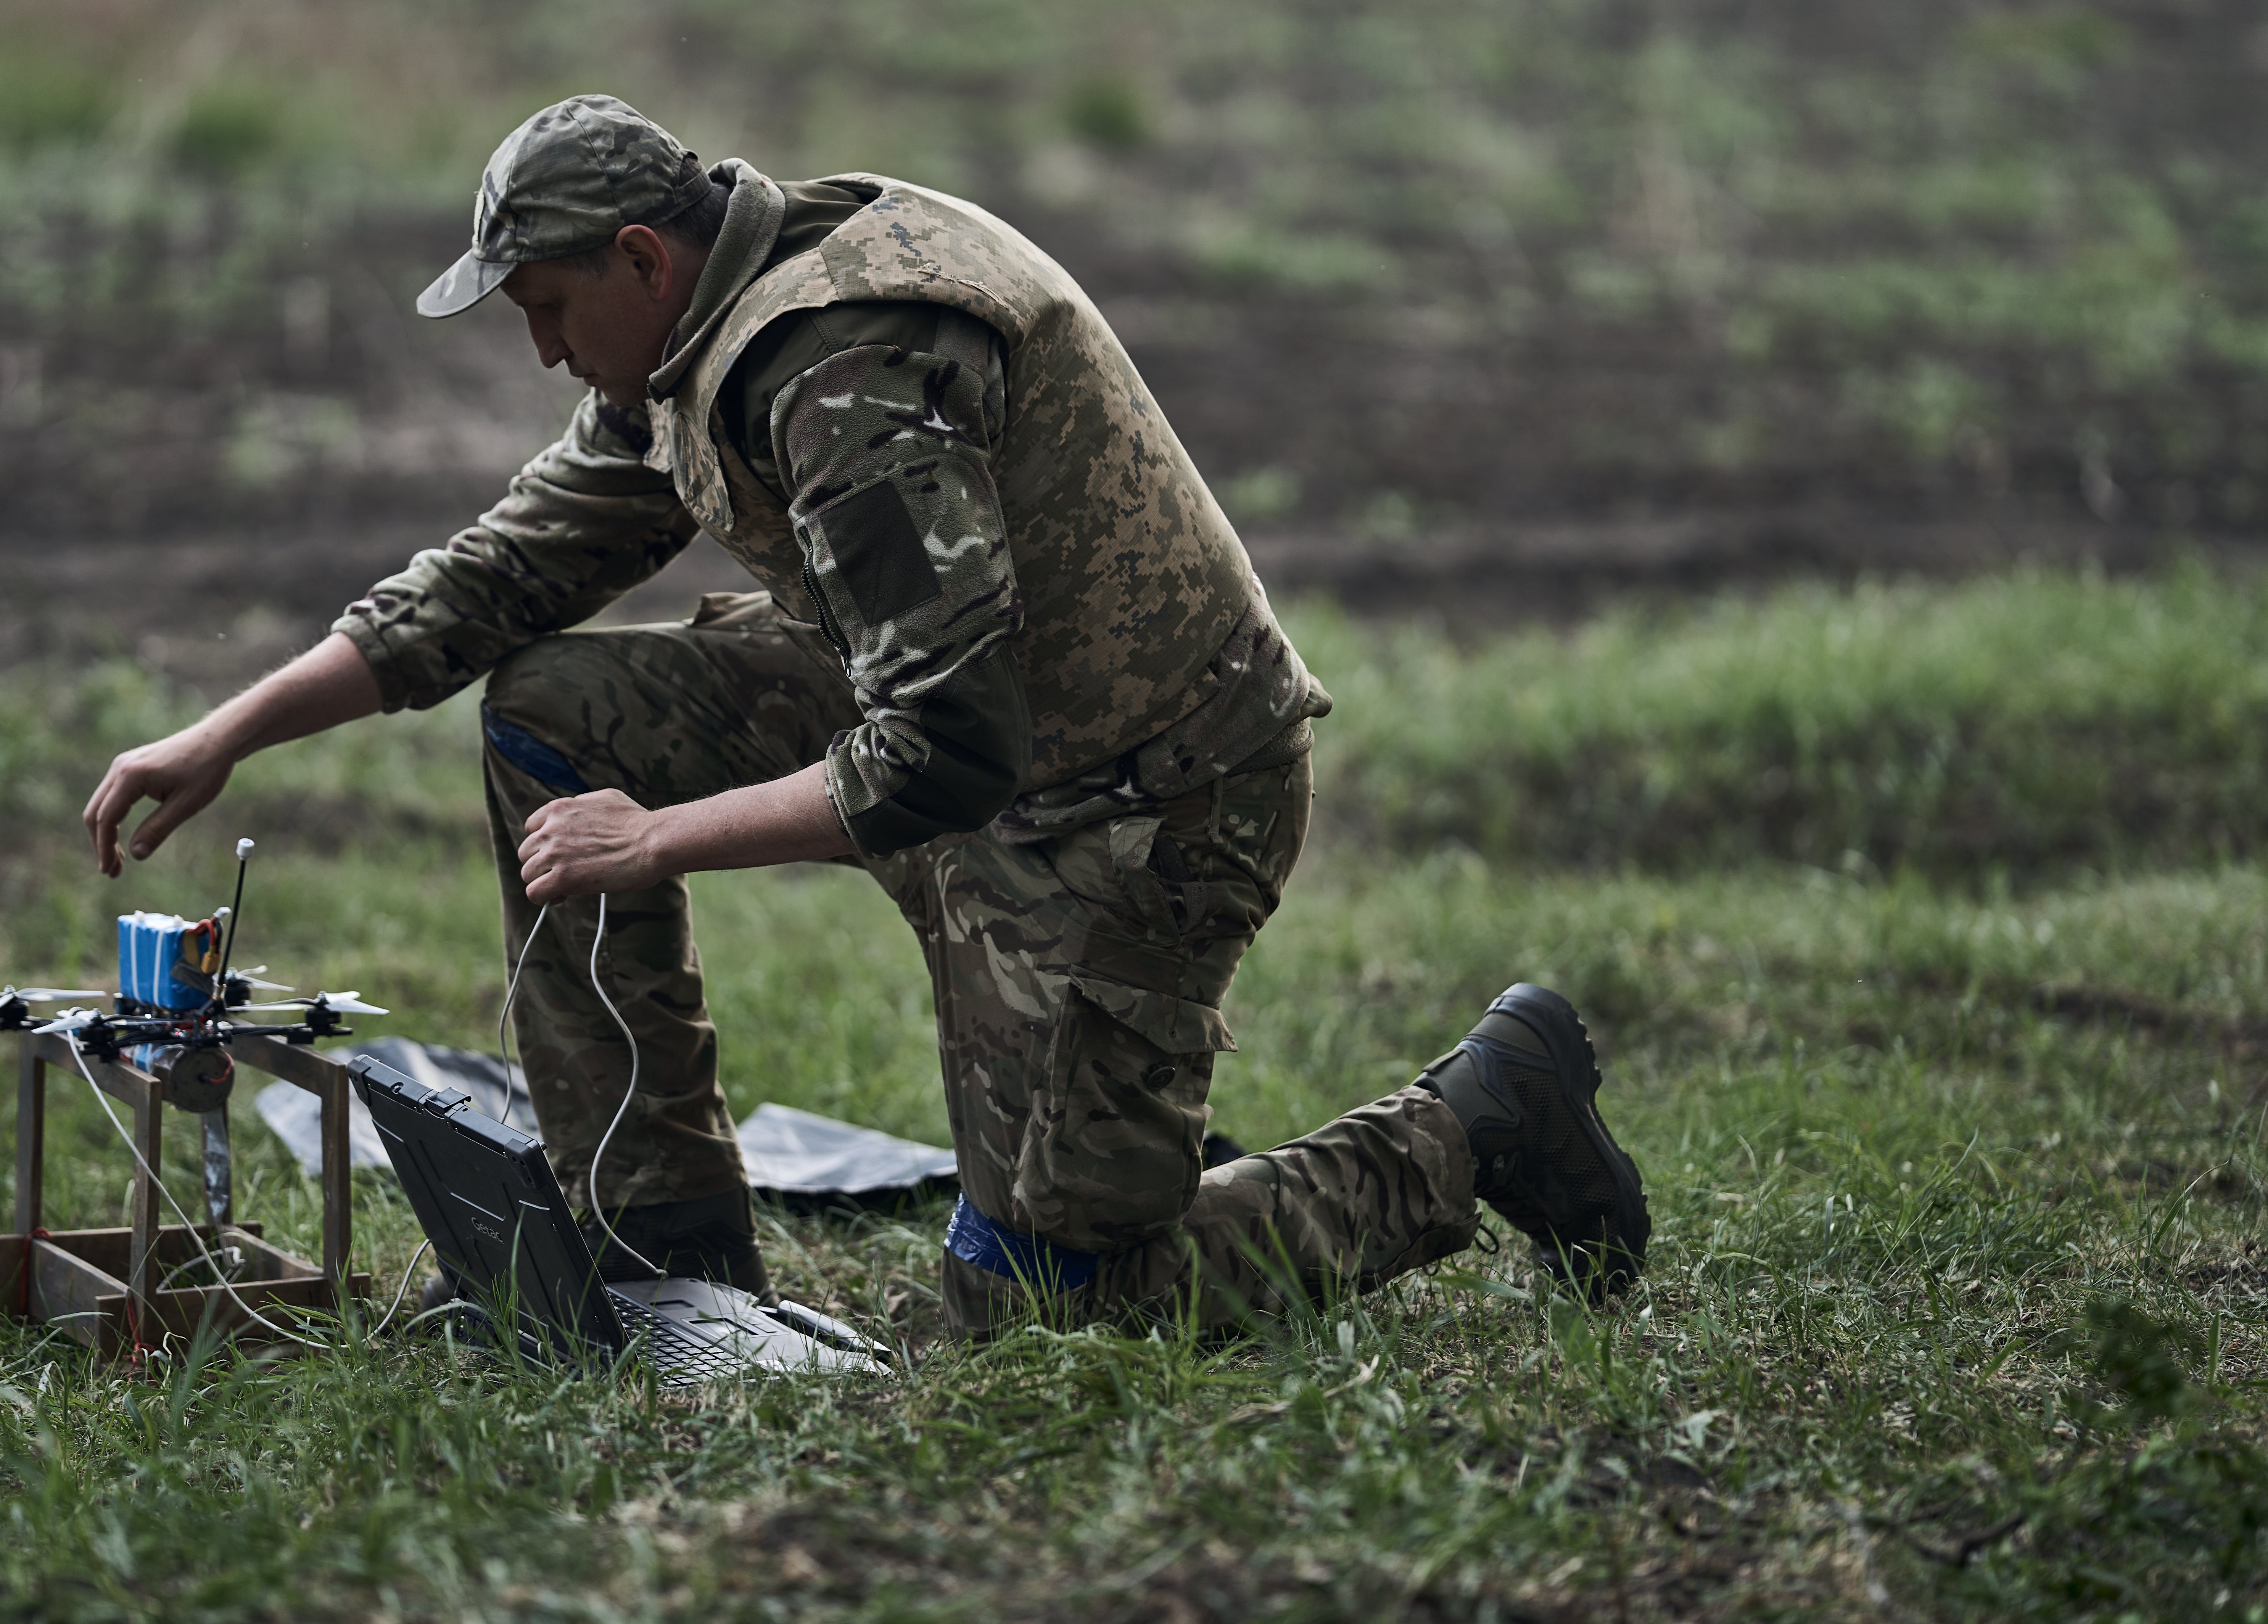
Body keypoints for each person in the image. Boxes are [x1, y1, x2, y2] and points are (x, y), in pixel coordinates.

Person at [82, 94, 1648, 1335]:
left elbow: (946, 746)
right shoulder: (699, 332)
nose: (547, 352)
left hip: (1136, 803)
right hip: (963, 739)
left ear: (642, 257)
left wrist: (659, 840)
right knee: (555, 705)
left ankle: (1469, 1127)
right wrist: (227, 731)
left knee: (1053, 1309)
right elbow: (497, 580)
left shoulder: (841, 368)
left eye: (551, 308)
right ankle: (656, 1241)